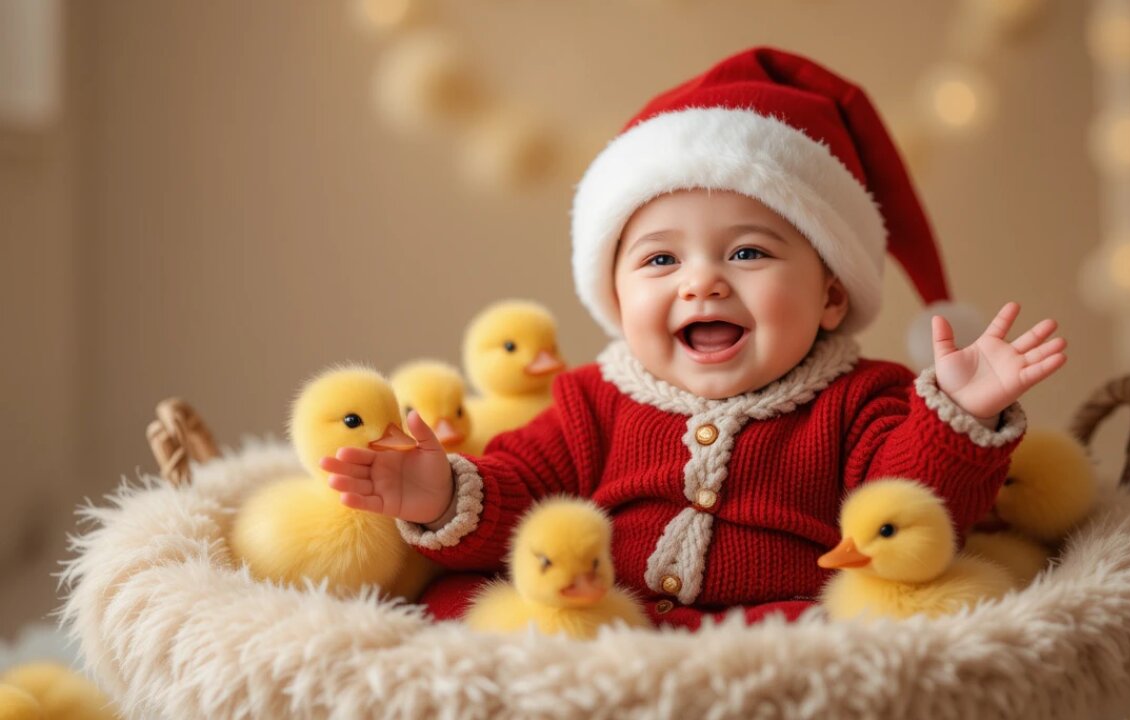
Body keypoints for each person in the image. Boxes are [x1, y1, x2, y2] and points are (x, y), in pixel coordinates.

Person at [320, 47, 1067, 629]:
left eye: (747, 252)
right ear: (616, 298)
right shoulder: (591, 401)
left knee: (902, 623)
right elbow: (521, 508)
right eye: (660, 259)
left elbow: (913, 515)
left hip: (783, 638)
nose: (701, 283)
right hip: (612, 629)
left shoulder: (863, 400)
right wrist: (438, 493)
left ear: (832, 294)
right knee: (463, 606)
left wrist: (958, 417)